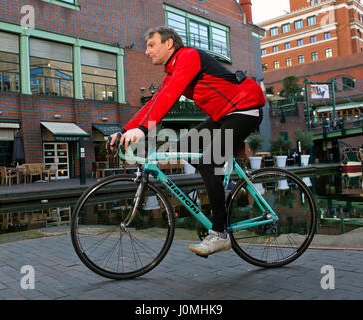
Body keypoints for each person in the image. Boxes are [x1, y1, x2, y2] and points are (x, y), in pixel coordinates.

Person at [110, 26, 265, 257]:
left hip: (244, 108)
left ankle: (220, 235)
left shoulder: (188, 56)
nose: (146, 51)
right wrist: (124, 130)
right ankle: (225, 185)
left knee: (210, 160)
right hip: (223, 114)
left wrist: (143, 129)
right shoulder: (172, 70)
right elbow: (156, 101)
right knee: (184, 146)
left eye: (151, 45)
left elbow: (170, 96)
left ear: (169, 43)